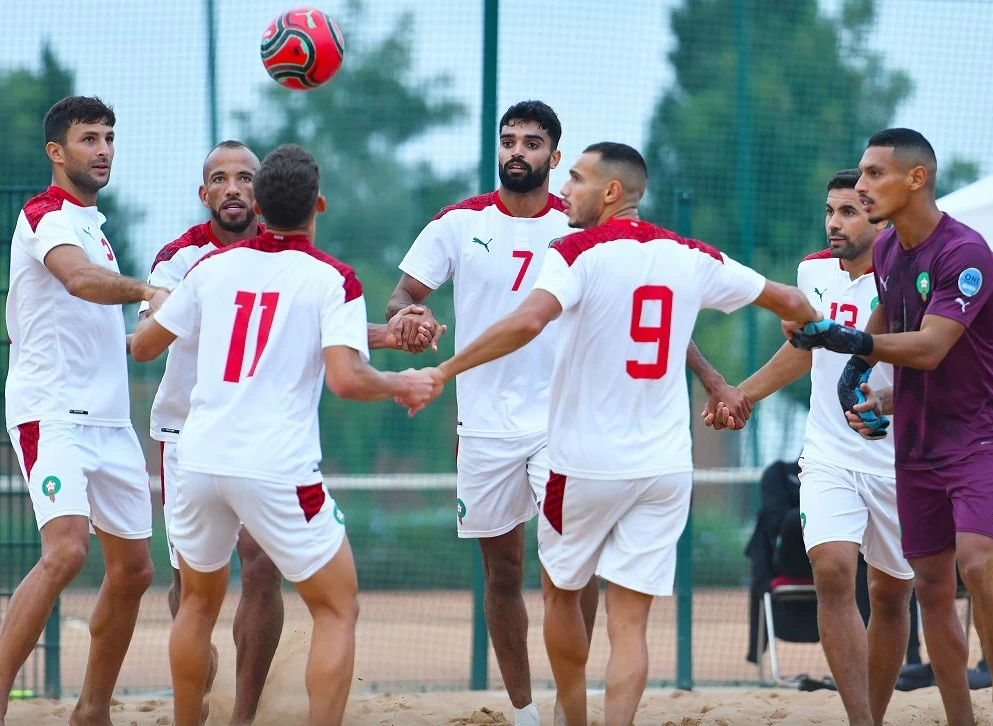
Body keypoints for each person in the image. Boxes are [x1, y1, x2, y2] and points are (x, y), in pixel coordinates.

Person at [403, 142, 820, 726]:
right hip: (665, 470)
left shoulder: (573, 251)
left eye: (575, 178)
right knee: (631, 625)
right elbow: (797, 303)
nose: (564, 188)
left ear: (611, 192)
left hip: (583, 467)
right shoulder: (689, 254)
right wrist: (788, 333)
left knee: (560, 596)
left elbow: (527, 320)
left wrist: (443, 371)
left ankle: (570, 718)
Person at [130, 144, 435, 726]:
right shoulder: (333, 278)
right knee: (338, 609)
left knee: (194, 603)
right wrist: (404, 384)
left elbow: (143, 346)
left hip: (197, 458)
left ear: (259, 205)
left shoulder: (207, 270)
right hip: (274, 465)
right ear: (319, 203)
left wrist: (159, 302)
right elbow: (345, 380)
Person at [385, 100, 597, 726]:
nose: (517, 152)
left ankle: (570, 703)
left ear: (555, 158)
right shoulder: (457, 222)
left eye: (533, 143)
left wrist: (711, 378)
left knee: (570, 567)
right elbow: (403, 294)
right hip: (482, 426)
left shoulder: (579, 225)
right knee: (502, 571)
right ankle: (526, 712)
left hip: (563, 423)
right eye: (509, 140)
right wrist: (409, 318)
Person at [790, 128, 993, 726]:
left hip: (979, 438)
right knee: (926, 592)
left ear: (917, 179)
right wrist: (860, 374)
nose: (861, 186)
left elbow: (931, 347)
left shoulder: (965, 252)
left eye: (873, 174)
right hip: (912, 444)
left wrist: (849, 340)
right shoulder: (886, 253)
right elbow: (890, 310)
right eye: (860, 174)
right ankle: (959, 717)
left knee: (977, 563)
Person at [706, 169, 913, 726]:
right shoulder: (811, 272)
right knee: (831, 572)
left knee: (891, 596)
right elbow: (805, 352)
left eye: (849, 211)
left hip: (898, 460)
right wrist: (740, 395)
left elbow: (930, 357)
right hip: (828, 454)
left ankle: (877, 708)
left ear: (880, 215)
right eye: (830, 210)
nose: (834, 223)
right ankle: (861, 720)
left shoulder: (909, 279)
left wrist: (890, 399)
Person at [0, 96, 168, 726]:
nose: (103, 150)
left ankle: (91, 711)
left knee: (134, 569)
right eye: (89, 139)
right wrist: (151, 290)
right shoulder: (45, 215)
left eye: (109, 138)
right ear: (56, 152)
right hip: (52, 410)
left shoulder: (96, 224)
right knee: (66, 550)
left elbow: (96, 317)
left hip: (109, 419)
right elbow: (78, 281)